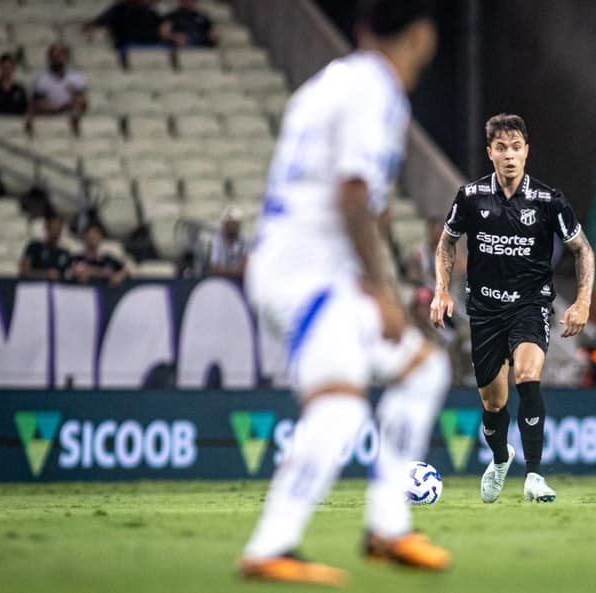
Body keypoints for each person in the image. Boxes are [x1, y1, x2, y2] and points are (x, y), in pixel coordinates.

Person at [241, 0, 448, 586]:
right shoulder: (376, 90)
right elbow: (354, 194)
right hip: (307, 275)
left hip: (304, 267)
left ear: (361, 28)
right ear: (423, 36)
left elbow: (360, 198)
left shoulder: (327, 85)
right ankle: (271, 545)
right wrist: (381, 291)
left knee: (421, 370)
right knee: (339, 404)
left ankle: (388, 525)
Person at [431, 113, 595, 504]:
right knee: (493, 401)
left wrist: (583, 301)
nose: (509, 156)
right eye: (501, 148)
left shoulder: (548, 200)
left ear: (527, 152)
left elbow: (582, 250)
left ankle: (534, 475)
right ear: (490, 153)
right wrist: (441, 290)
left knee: (527, 373)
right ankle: (501, 457)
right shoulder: (470, 197)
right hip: (484, 310)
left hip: (531, 305)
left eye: (516, 148)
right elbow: (445, 245)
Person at [31, 44, 88, 123]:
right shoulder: (41, 79)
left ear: (66, 57)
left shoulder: (76, 78)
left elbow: (83, 102)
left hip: (71, 121)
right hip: (48, 122)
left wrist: (78, 103)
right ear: (50, 58)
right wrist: (61, 108)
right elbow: (38, 105)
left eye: (61, 54)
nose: (58, 58)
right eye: (55, 55)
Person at [84, 0, 164, 51]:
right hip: (127, 41)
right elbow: (102, 20)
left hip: (148, 41)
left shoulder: (150, 12)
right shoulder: (119, 9)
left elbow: (161, 26)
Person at [19, 213, 71, 280]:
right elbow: (24, 271)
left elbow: (68, 275)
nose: (56, 232)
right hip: (34, 286)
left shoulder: (64, 253)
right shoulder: (34, 247)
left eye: (59, 229)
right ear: (47, 228)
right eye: (53, 228)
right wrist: (45, 274)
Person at [206, 205, 248, 278]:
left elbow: (244, 268)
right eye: (229, 223)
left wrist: (225, 271)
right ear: (224, 224)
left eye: (234, 223)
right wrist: (234, 272)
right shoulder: (216, 240)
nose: (232, 226)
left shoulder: (245, 240)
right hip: (219, 281)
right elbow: (215, 268)